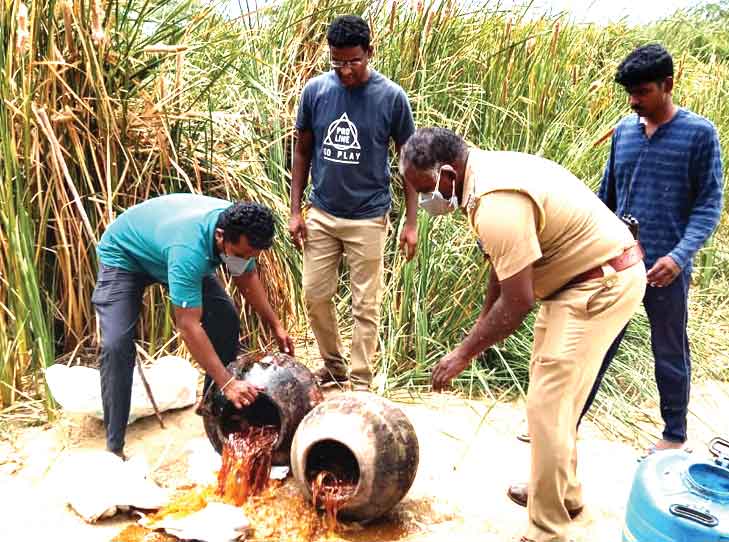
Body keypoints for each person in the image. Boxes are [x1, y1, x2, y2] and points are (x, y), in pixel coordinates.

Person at [399, 127, 647, 542]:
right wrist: (479, 327)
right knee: (554, 398)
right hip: (576, 282)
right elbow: (502, 266)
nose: (425, 201)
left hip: (598, 284)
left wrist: (462, 354)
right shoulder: (481, 176)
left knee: (547, 406)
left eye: (426, 189)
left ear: (446, 173)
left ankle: (547, 529)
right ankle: (563, 494)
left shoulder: (497, 202)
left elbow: (517, 302)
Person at [579, 43, 724, 453]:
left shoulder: (700, 134)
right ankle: (566, 421)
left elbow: (710, 204)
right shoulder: (624, 131)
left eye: (643, 92)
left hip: (666, 268)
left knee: (670, 350)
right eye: (631, 93)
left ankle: (674, 436)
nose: (634, 101)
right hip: (619, 265)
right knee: (596, 345)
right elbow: (605, 197)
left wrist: (679, 258)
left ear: (668, 85)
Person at [93, 194, 294, 459]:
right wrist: (229, 382)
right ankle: (114, 445)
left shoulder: (240, 230)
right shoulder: (190, 250)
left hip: (165, 248)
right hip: (126, 256)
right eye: (240, 254)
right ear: (221, 237)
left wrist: (276, 325)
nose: (244, 258)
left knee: (225, 318)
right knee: (116, 345)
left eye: (251, 255)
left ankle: (210, 405)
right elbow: (188, 326)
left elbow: (246, 276)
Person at [288, 15, 417, 390]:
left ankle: (360, 381)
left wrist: (411, 223)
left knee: (366, 305)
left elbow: (410, 162)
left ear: (370, 52)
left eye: (352, 61)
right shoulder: (315, 92)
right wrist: (296, 212)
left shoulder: (392, 98)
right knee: (315, 295)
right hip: (323, 213)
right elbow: (302, 151)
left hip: (369, 218)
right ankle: (333, 366)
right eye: (336, 61)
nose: (344, 69)